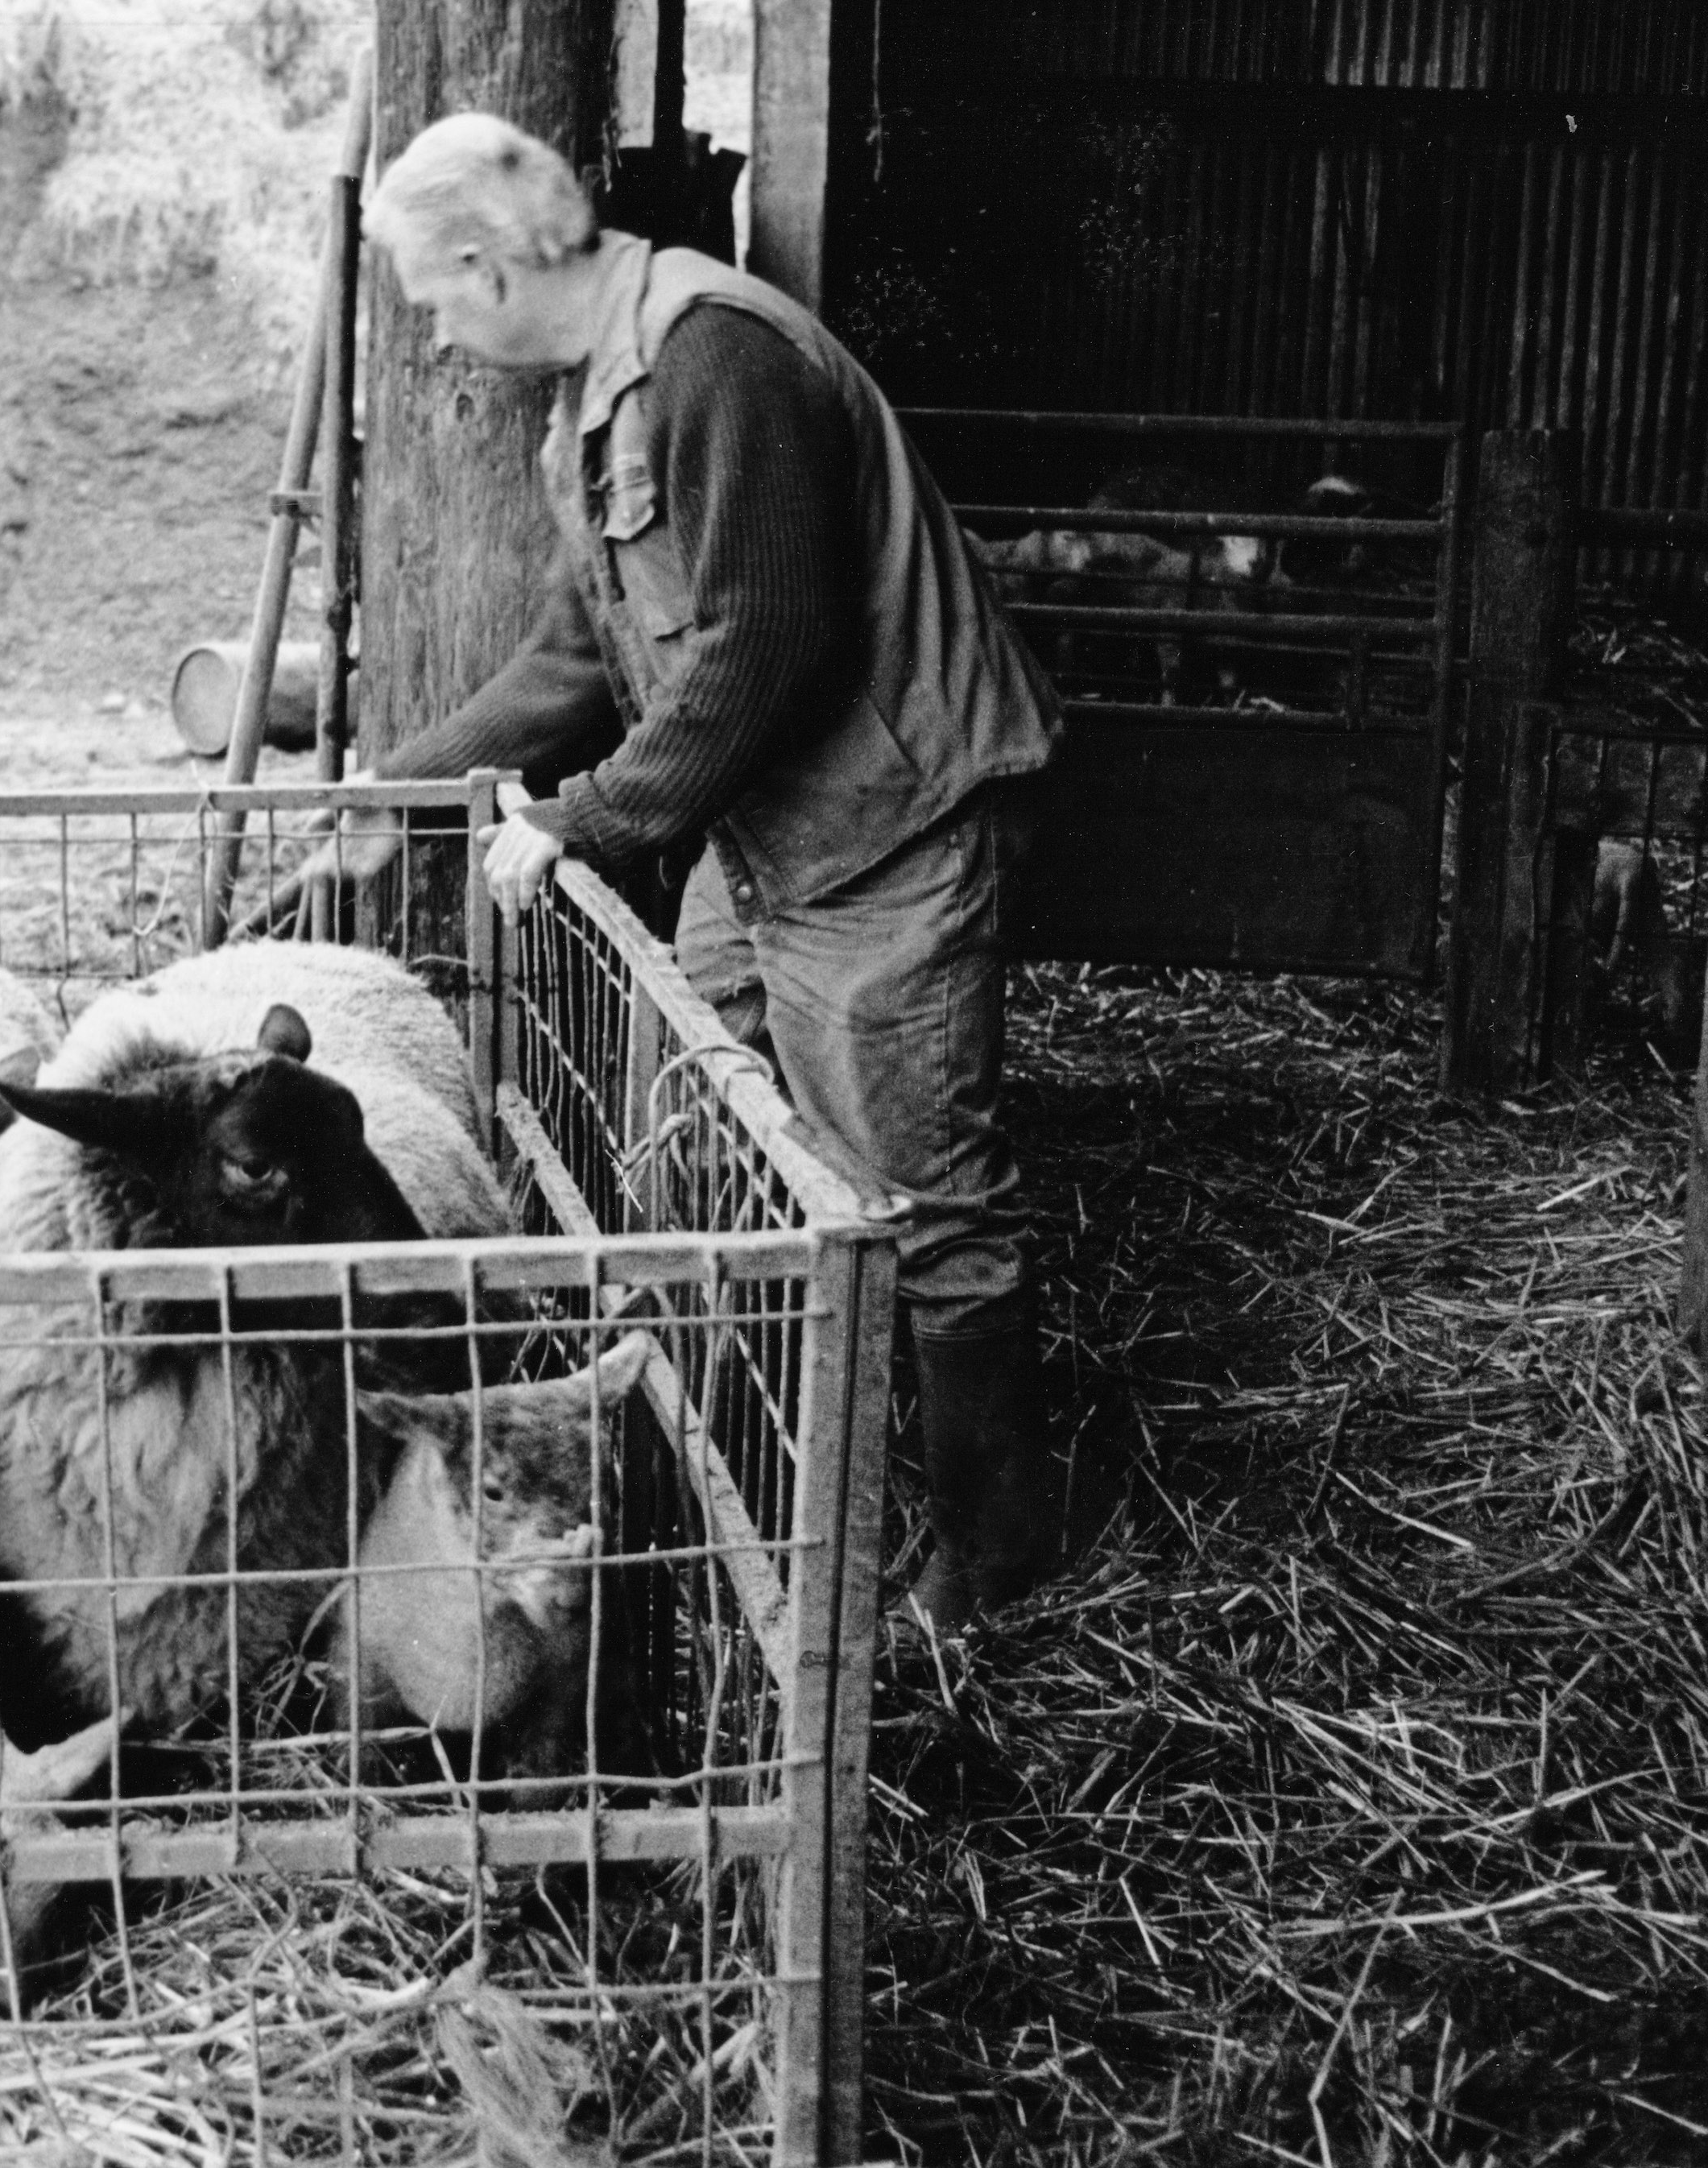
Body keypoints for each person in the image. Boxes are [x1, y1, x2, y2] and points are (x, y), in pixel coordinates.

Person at [342, 110, 1065, 1628]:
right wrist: (389, 790)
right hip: (771, 821)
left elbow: (766, 640)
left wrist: (590, 821)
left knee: (920, 1193)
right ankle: (748, 1469)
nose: (435, 334)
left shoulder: (710, 357)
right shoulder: (595, 397)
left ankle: (996, 1550)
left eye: (427, 301)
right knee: (709, 1134)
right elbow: (574, 659)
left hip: (889, 819)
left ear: (480, 266)